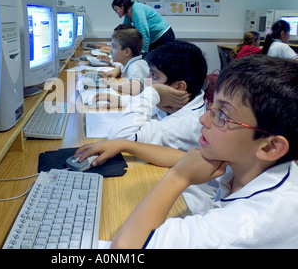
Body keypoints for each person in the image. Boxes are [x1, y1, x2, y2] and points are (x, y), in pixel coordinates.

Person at [109, 55, 298, 249]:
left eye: (222, 115)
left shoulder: (254, 220)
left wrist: (177, 177)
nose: (204, 120)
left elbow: (124, 249)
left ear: (270, 147)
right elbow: (185, 159)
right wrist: (125, 145)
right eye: (212, 106)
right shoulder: (252, 162)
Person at [77, 41, 207, 167]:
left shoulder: (180, 125)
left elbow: (120, 137)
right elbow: (156, 106)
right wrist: (122, 100)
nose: (147, 82)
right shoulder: (183, 100)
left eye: (154, 76)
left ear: (179, 87)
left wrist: (153, 92)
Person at [98, 27, 149, 96]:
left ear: (127, 52)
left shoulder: (134, 66)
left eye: (114, 47)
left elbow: (135, 88)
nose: (110, 51)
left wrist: (111, 83)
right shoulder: (133, 63)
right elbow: (120, 68)